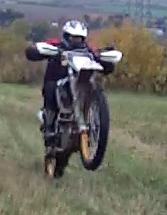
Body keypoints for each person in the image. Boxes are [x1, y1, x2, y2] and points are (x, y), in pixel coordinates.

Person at [24, 19, 115, 147]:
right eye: (73, 37)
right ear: (66, 36)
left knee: (95, 87)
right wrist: (35, 50)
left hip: (81, 84)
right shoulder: (56, 44)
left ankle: (94, 118)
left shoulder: (89, 50)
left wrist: (106, 60)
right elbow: (34, 51)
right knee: (50, 88)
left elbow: (104, 63)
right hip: (57, 81)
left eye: (79, 38)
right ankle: (49, 125)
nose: (76, 41)